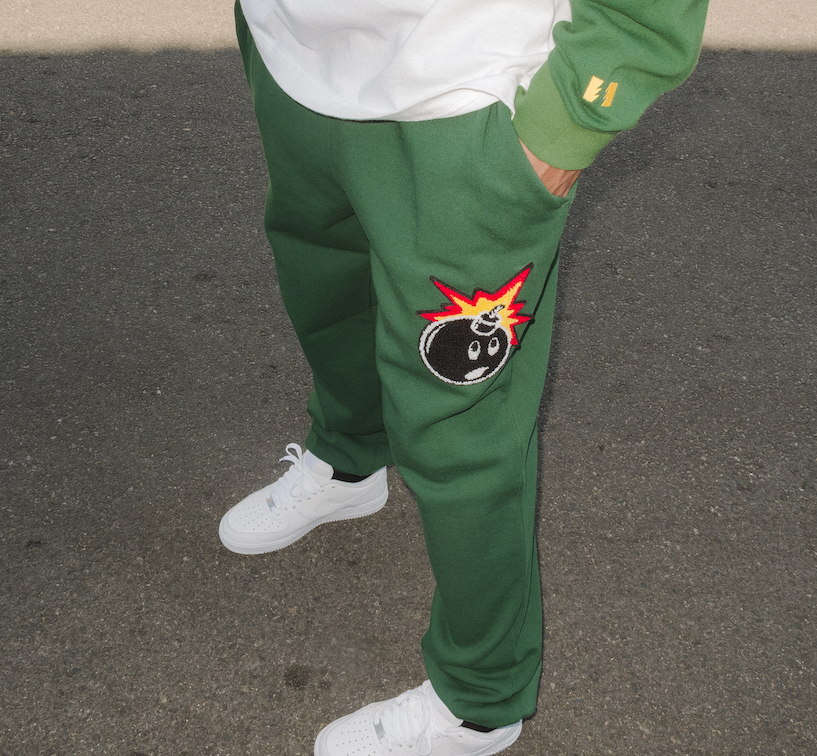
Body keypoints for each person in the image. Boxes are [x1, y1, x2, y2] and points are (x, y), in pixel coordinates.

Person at [218, 1, 709, 753]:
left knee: (459, 429)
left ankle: (480, 697)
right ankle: (349, 461)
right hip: (293, 55)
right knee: (326, 296)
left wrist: (568, 121)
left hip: (460, 97)